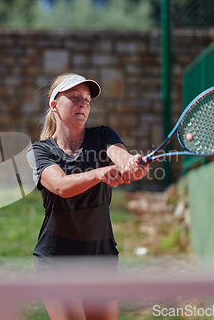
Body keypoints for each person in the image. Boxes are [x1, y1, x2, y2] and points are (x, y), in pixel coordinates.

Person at [27, 73, 148, 320]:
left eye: (87, 99)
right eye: (74, 98)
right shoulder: (39, 151)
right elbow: (60, 185)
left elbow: (121, 158)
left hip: (99, 257)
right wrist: (101, 173)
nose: (82, 103)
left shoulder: (102, 135)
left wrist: (131, 164)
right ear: (54, 105)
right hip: (57, 260)